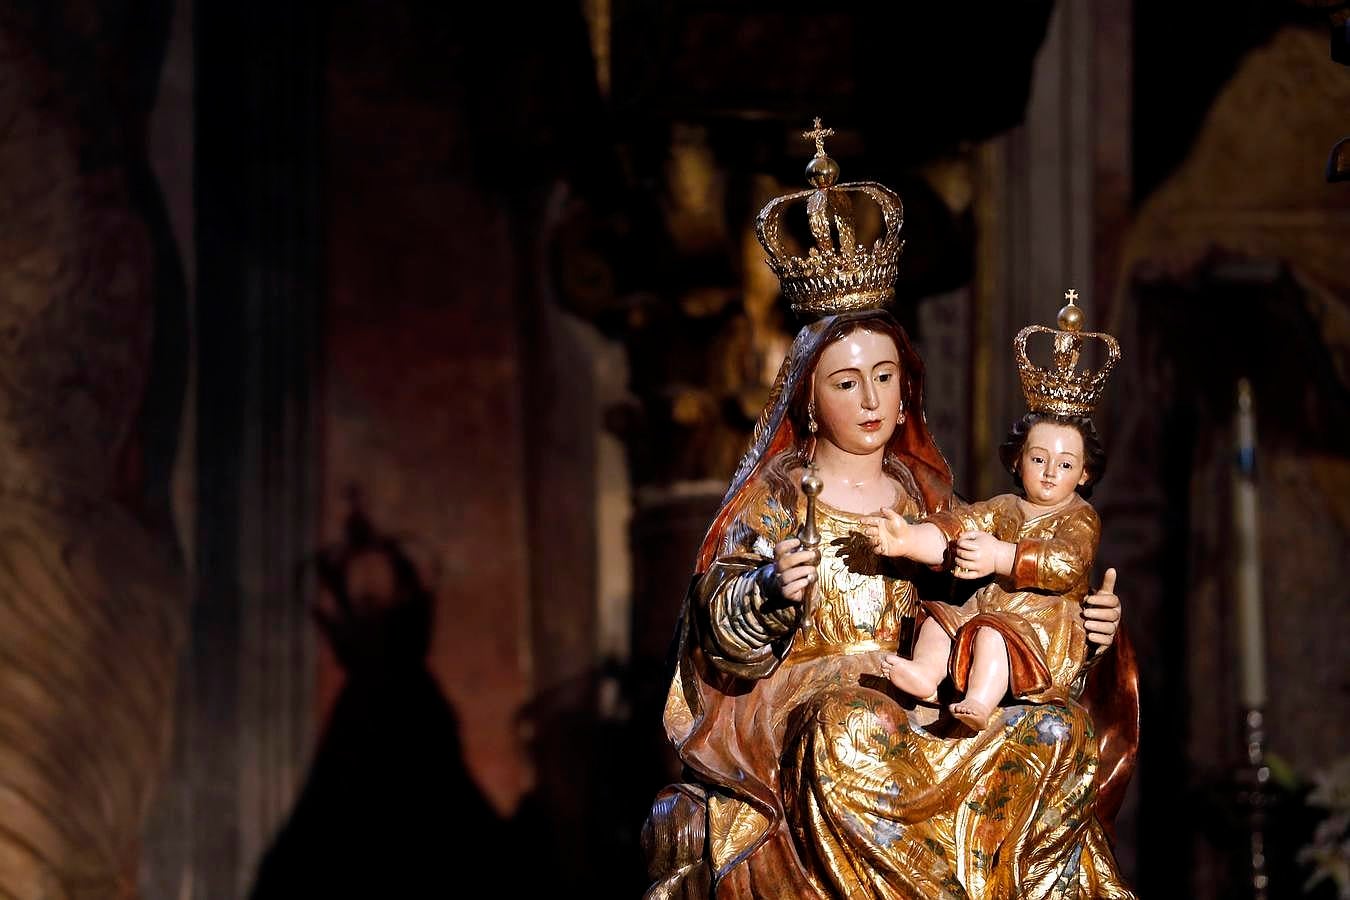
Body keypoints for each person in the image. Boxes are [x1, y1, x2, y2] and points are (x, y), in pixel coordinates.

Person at [641, 126, 1137, 898]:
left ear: (907, 385)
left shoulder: (927, 497)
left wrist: (1083, 627)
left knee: (1056, 734)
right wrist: (769, 591)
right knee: (847, 730)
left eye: (884, 377)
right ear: (810, 396)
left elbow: (1002, 595)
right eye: (846, 383)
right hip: (815, 710)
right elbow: (714, 626)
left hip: (931, 706)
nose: (870, 401)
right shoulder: (780, 498)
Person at [864, 298, 1121, 731]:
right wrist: (907, 540)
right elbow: (957, 526)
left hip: (1038, 627)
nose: (1050, 473)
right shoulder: (1004, 507)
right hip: (984, 609)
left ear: (1084, 472)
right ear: (1018, 461)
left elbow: (1066, 562)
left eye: (1065, 464)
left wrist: (1002, 557)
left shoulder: (1081, 517)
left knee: (992, 634)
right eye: (1039, 459)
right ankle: (927, 674)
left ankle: (981, 701)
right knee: (941, 619)